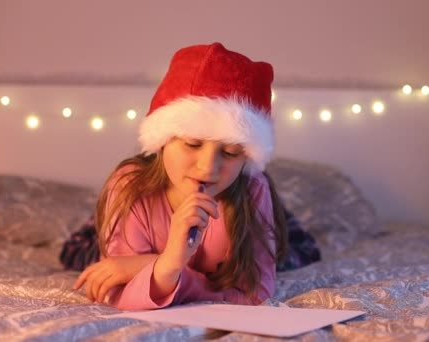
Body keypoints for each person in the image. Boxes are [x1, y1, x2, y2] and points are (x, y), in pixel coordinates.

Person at [72, 42, 289, 311]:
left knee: (296, 249)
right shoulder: (129, 186)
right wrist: (171, 264)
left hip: (252, 208)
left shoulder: (253, 188)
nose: (208, 168)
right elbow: (116, 292)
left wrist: (162, 265)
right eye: (192, 144)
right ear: (163, 141)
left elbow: (256, 294)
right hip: (118, 221)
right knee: (78, 251)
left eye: (231, 153)